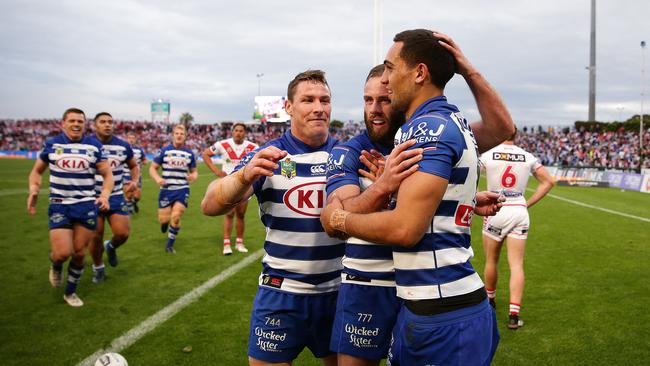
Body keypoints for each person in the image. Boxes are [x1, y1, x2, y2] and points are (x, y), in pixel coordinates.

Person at [320, 29, 513, 365]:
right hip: (421, 299)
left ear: (420, 73)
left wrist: (339, 218)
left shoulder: (424, 128)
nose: (386, 84)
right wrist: (458, 200)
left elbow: (406, 229)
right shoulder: (449, 121)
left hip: (439, 308)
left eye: (391, 69)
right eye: (369, 99)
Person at [202, 70, 342, 366]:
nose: (318, 107)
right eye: (307, 100)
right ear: (289, 107)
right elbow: (210, 204)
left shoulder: (346, 154)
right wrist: (243, 176)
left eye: (324, 100)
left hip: (339, 293)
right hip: (281, 292)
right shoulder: (267, 154)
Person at [27, 107, 113, 307]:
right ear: (63, 123)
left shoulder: (94, 146)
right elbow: (36, 172)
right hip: (59, 205)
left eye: (80, 121)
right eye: (72, 121)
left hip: (85, 206)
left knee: (80, 253)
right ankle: (56, 264)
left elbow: (107, 175)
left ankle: (70, 293)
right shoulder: (52, 144)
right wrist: (33, 189)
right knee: (62, 253)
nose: (76, 124)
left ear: (85, 124)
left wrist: (105, 194)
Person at [479, 130, 555, 329]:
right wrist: (527, 203)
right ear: (517, 135)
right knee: (517, 265)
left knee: (491, 260)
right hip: (519, 211)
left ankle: (490, 301)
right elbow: (549, 181)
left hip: (496, 209)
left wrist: (475, 197)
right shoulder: (528, 156)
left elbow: (470, 173)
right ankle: (514, 315)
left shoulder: (488, 154)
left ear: (501, 132)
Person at [87, 112, 139, 283]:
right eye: (103, 122)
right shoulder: (86, 144)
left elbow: (133, 166)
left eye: (110, 122)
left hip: (116, 195)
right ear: (95, 125)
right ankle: (98, 268)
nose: (107, 124)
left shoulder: (123, 145)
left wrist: (134, 180)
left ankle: (110, 247)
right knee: (96, 235)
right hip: (91, 197)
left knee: (123, 234)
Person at [201, 123, 258, 255]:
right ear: (232, 132)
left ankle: (239, 242)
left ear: (245, 133)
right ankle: (226, 244)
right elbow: (205, 154)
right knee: (229, 213)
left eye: (241, 131)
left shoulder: (253, 147)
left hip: (244, 186)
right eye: (236, 130)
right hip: (227, 185)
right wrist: (216, 171)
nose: (238, 133)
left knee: (241, 214)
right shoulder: (223, 144)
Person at [149, 124, 198, 254]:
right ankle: (165, 224)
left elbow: (194, 171)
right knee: (164, 219)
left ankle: (169, 245)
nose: (179, 135)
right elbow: (152, 168)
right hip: (166, 189)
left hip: (182, 189)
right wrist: (158, 179)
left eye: (182, 134)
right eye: (177, 133)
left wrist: (193, 176)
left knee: (176, 216)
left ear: (185, 136)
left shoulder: (189, 153)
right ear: (173, 136)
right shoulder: (164, 151)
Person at [123, 132, 148, 214]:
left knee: (137, 196)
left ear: (135, 140)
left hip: (137, 176)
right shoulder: (123, 149)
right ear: (127, 139)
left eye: (133, 138)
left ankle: (134, 203)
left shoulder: (139, 150)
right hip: (126, 174)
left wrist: (144, 162)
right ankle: (129, 211)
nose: (131, 140)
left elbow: (144, 159)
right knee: (129, 194)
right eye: (129, 138)